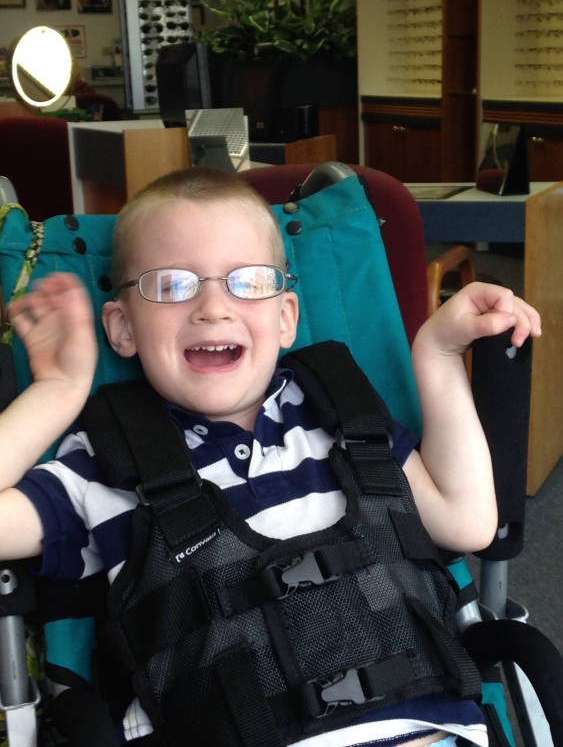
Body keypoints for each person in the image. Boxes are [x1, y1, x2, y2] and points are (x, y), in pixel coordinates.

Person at [0, 168, 542, 747]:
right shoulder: (104, 464)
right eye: (172, 285)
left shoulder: (347, 419)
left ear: (286, 317)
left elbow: (468, 522)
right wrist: (58, 391)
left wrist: (436, 353)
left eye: (247, 282)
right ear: (122, 327)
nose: (213, 307)